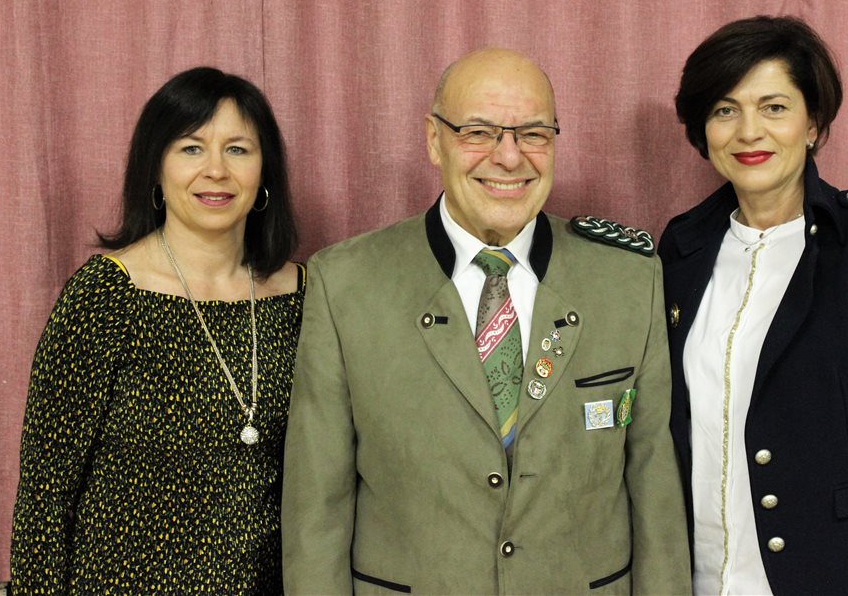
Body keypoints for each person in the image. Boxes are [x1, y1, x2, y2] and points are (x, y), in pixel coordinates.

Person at [282, 48, 690, 594]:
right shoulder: (345, 282)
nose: (509, 157)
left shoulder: (628, 280)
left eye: (534, 134)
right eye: (478, 132)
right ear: (434, 140)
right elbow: (317, 508)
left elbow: (655, 487)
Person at [660, 16, 848, 595]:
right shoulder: (681, 249)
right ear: (703, 130)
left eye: (773, 107)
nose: (749, 131)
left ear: (813, 123)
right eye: (725, 110)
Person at [10, 67, 305, 594]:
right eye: (191, 148)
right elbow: (45, 495)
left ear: (265, 171)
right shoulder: (106, 295)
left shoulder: (306, 296)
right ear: (155, 167)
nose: (216, 170)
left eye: (237, 149)